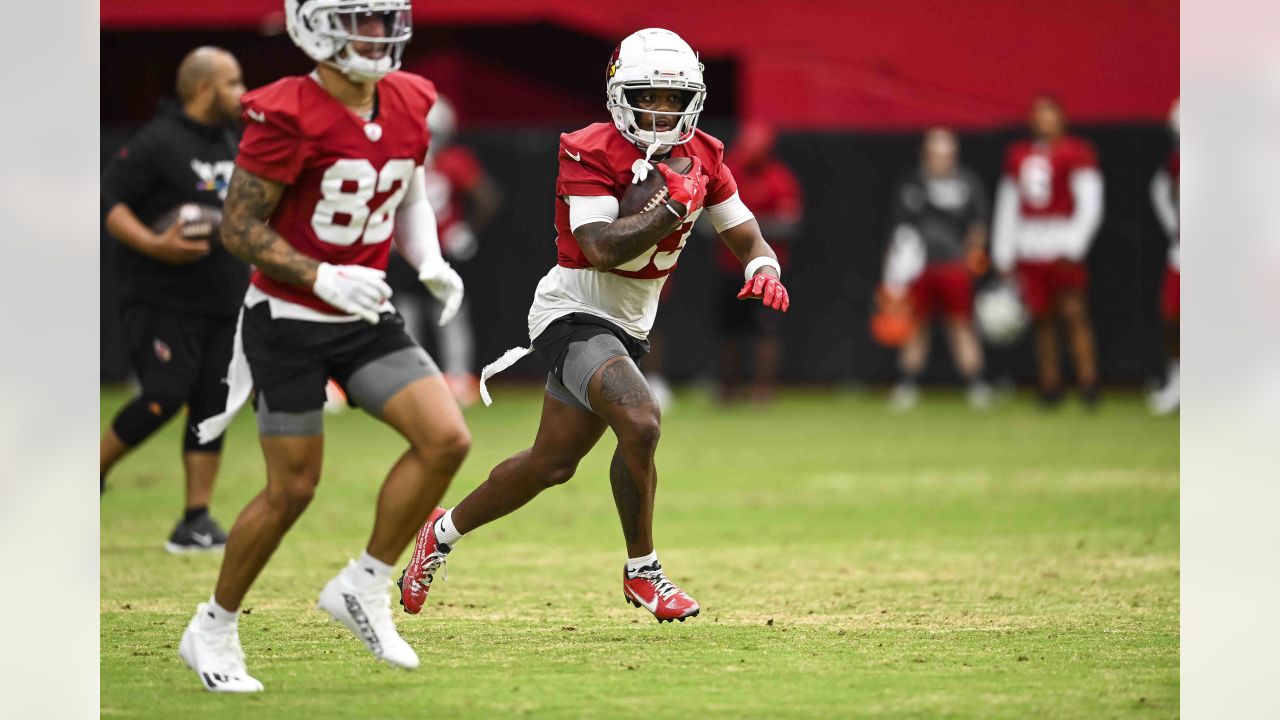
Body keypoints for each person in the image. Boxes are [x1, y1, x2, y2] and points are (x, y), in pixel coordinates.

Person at [397, 28, 790, 624]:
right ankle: (643, 571)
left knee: (549, 465)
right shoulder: (589, 147)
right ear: (618, 96)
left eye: (671, 99)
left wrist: (764, 265)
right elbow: (600, 246)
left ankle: (440, 533)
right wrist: (671, 206)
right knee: (641, 418)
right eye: (647, 98)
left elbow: (744, 230)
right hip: (572, 312)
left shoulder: (705, 153)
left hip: (628, 323)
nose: (660, 113)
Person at [176, 0, 470, 693]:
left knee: (445, 438)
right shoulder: (285, 111)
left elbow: (410, 192)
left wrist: (427, 260)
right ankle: (211, 626)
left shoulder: (410, 96)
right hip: (287, 318)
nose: (375, 33)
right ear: (314, 25)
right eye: (358, 20)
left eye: (381, 19)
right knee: (292, 490)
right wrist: (319, 275)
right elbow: (239, 226)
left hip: (361, 312)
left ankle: (363, 585)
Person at [99, 46, 248, 553]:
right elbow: (109, 201)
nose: (240, 92)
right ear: (204, 88)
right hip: (162, 298)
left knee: (213, 402)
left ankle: (195, 519)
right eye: (232, 82)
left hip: (222, 298)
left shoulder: (231, 139)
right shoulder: (158, 141)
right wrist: (153, 243)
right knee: (164, 393)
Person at [386, 94, 502, 406]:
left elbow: (487, 197)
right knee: (406, 315)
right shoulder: (396, 161)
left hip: (442, 250)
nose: (427, 140)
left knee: (450, 313)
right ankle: (413, 377)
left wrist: (465, 228)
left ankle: (456, 377)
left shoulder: (455, 160)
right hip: (405, 250)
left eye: (432, 132)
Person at [991, 95, 1104, 407]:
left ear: (1062, 118)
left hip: (1061, 241)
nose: (1045, 120)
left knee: (1074, 313)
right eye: (1039, 113)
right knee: (1041, 318)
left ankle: (1088, 383)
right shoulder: (1019, 155)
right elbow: (1008, 205)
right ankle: (1050, 385)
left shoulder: (1077, 153)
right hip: (1030, 245)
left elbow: (1091, 202)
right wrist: (1003, 251)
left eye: (1050, 113)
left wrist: (1075, 243)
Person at [884, 128, 992, 411]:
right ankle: (907, 383)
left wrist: (972, 260)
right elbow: (900, 229)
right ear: (925, 154)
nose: (940, 159)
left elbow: (978, 225)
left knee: (961, 325)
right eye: (935, 152)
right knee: (916, 326)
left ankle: (976, 383)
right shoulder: (913, 183)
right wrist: (893, 273)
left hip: (954, 266)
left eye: (946, 153)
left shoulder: (967, 183)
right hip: (918, 267)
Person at [714, 120, 803, 403]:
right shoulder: (732, 172)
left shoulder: (779, 178)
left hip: (766, 270)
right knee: (730, 332)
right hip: (730, 267)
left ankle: (763, 392)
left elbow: (790, 224)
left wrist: (747, 226)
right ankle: (729, 389)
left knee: (767, 332)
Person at [1149, 100, 1180, 415]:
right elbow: (1158, 190)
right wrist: (1173, 224)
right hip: (1183, 250)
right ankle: (1178, 377)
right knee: (1172, 316)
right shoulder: (1175, 163)